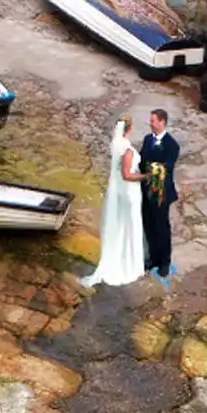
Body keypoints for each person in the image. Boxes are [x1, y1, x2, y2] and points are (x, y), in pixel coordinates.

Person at [79, 117, 146, 289]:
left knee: (121, 226)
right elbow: (127, 175)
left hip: (119, 190)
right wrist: (147, 176)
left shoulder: (115, 144)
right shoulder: (127, 150)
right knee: (130, 226)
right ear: (130, 128)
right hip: (129, 191)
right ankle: (129, 265)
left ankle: (120, 257)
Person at [137, 108, 179, 282]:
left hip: (161, 193)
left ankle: (164, 262)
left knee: (161, 228)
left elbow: (166, 167)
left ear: (162, 122)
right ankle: (153, 258)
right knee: (149, 225)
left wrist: (150, 170)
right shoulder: (147, 139)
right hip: (146, 191)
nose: (151, 124)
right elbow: (142, 160)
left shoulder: (172, 144)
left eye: (153, 121)